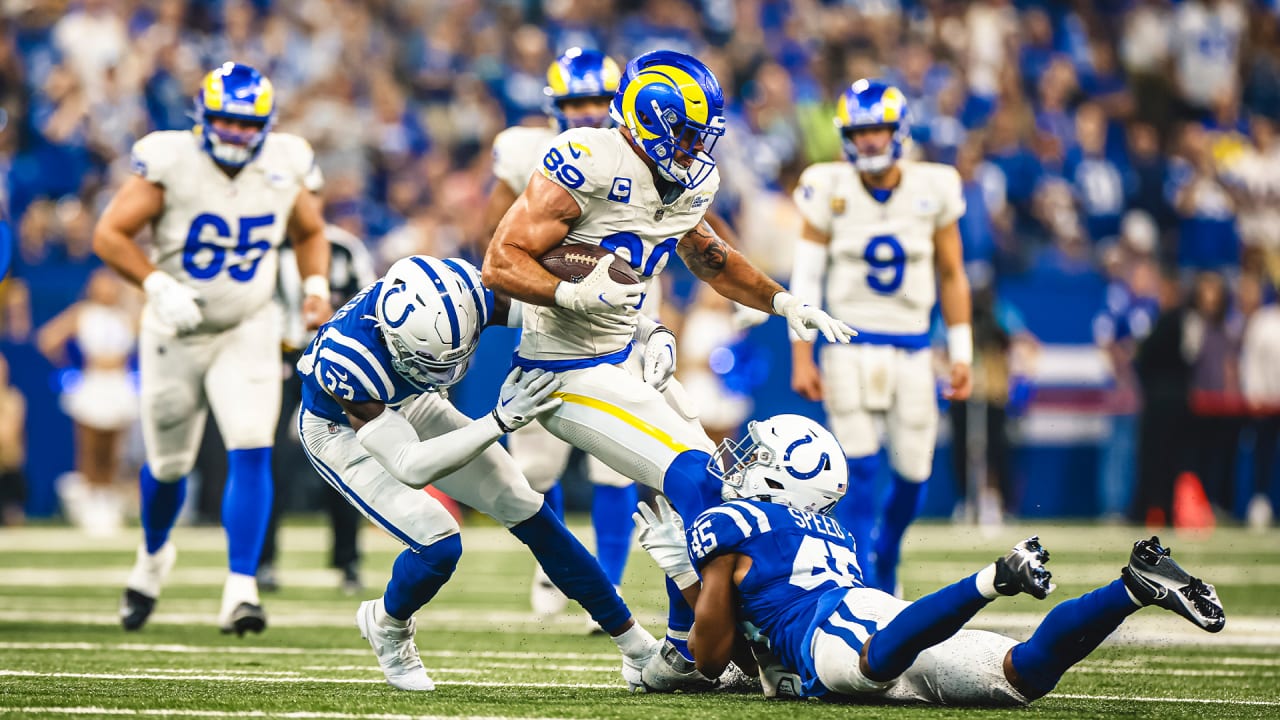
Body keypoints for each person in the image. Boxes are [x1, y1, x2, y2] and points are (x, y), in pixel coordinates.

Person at [482, 49, 854, 684]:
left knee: (720, 487)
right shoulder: (589, 158)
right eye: (684, 134)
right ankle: (700, 653)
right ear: (645, 119)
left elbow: (708, 253)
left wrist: (783, 300)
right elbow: (501, 259)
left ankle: (699, 644)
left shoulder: (687, 179)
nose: (693, 150)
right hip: (565, 370)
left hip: (625, 354)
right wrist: (568, 292)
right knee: (703, 489)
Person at [633, 413, 1226, 704]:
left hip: (833, 629)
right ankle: (1132, 586)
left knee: (870, 664)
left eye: (756, 455)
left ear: (781, 475)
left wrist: (684, 570)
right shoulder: (831, 531)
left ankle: (994, 578)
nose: (740, 463)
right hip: (876, 610)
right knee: (1023, 675)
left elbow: (710, 659)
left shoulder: (736, 524)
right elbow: (743, 645)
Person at [295, 254, 663, 692]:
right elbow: (411, 466)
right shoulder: (351, 361)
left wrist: (648, 329)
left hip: (410, 398)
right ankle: (387, 624)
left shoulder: (464, 293)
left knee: (526, 506)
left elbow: (565, 307)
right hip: (342, 426)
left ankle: (637, 649)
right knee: (438, 543)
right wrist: (497, 422)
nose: (446, 369)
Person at [92, 62, 334, 635]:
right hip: (174, 328)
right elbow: (109, 233)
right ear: (202, 119)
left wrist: (316, 288)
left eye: (247, 125)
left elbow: (311, 231)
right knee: (169, 467)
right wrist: (155, 282)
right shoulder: (170, 159)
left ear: (267, 125)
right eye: (225, 122)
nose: (235, 135)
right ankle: (153, 558)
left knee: (251, 446)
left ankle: (241, 589)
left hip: (247, 325)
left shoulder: (284, 160)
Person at [787, 79, 972, 594]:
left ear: (899, 131)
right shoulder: (827, 184)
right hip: (847, 343)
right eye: (860, 131)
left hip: (913, 348)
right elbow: (806, 279)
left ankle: (886, 546)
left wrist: (961, 352)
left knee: (915, 472)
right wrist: (802, 354)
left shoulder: (933, 185)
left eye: (879, 130)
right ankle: (865, 579)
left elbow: (954, 273)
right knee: (859, 469)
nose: (869, 141)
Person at [485, 47, 645, 617]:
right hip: (548, 315)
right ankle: (553, 569)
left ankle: (614, 577)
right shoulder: (528, 152)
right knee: (536, 466)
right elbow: (496, 231)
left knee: (619, 460)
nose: (585, 112)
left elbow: (690, 228)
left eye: (597, 101)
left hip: (617, 317)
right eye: (575, 102)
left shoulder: (640, 152)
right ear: (554, 107)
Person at [259, 223, 379, 594]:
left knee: (343, 458)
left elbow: (370, 303)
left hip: (332, 359)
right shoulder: (262, 247)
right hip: (274, 358)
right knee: (268, 460)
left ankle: (348, 561)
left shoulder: (343, 247)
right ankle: (260, 560)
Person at [37, 268, 140, 536]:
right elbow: (48, 338)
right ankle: (90, 503)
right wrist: (73, 367)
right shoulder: (83, 313)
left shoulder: (126, 316)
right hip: (93, 383)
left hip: (119, 385)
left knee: (114, 451)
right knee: (90, 450)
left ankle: (109, 502)